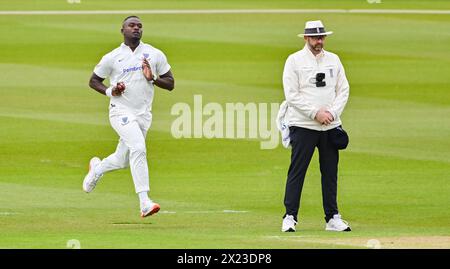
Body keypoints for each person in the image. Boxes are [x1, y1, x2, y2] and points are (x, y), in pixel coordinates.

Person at [83, 16, 175, 218]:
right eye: (132, 26)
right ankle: (144, 202)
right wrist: (111, 91)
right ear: (122, 30)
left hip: (143, 114)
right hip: (120, 112)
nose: (136, 28)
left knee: (122, 160)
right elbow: (94, 81)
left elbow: (170, 83)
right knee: (139, 148)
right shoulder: (113, 57)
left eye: (139, 26)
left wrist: (152, 78)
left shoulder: (154, 53)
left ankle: (97, 169)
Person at [281, 20, 350, 232]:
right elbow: (291, 95)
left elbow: (343, 89)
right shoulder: (294, 61)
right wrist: (315, 113)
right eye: (315, 38)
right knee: (297, 171)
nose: (319, 41)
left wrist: (331, 113)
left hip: (329, 126)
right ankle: (290, 216)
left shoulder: (334, 59)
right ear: (306, 38)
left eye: (321, 37)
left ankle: (332, 217)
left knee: (330, 172)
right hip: (303, 125)